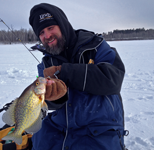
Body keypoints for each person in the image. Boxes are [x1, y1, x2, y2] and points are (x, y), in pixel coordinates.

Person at [29, 3, 127, 150]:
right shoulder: (46, 62)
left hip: (100, 128)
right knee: (37, 140)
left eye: (50, 28)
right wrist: (53, 97)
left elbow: (113, 79)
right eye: (41, 33)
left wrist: (66, 72)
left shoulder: (96, 45)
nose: (47, 36)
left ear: (62, 25)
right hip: (59, 127)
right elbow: (50, 104)